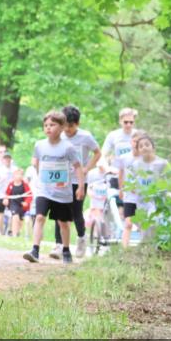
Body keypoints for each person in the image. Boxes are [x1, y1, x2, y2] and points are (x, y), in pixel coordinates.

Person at [23, 111, 86, 264]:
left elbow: (78, 167)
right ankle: (35, 250)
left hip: (62, 192)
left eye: (52, 125)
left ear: (62, 127)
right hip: (44, 190)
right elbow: (37, 163)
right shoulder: (40, 145)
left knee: (63, 222)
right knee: (39, 217)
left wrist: (80, 186)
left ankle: (66, 250)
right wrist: (40, 179)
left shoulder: (68, 148)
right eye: (46, 125)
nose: (48, 128)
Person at [50, 105, 100, 258]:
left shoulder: (85, 137)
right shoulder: (60, 136)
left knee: (76, 212)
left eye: (70, 126)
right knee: (59, 211)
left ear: (77, 124)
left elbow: (97, 153)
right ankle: (59, 245)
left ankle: (81, 238)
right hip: (61, 179)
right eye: (65, 126)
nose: (67, 130)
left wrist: (86, 169)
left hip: (78, 180)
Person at [101, 107, 138, 219]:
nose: (128, 125)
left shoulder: (138, 135)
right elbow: (102, 155)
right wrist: (107, 168)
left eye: (131, 122)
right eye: (125, 122)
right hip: (118, 174)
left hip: (134, 175)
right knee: (118, 201)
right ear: (120, 121)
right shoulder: (113, 135)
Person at [85, 161, 111, 248]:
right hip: (96, 200)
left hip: (105, 200)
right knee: (97, 216)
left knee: (105, 218)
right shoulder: (92, 174)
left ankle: (106, 235)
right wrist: (92, 195)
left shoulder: (109, 174)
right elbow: (88, 188)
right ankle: (97, 234)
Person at [3, 167, 33, 237]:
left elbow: (29, 195)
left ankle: (16, 231)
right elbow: (7, 194)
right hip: (13, 203)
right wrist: (6, 199)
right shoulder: (11, 184)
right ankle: (14, 234)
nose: (18, 176)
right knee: (15, 216)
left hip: (22, 204)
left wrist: (26, 202)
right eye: (17, 174)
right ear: (14, 175)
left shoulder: (25, 185)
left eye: (20, 175)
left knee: (20, 220)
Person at [0, 150, 15, 235]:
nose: (7, 160)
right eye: (5, 158)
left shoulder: (14, 169)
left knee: (13, 213)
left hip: (11, 195)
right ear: (3, 160)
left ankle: (10, 231)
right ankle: (1, 232)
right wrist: (0, 180)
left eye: (8, 158)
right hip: (0, 194)